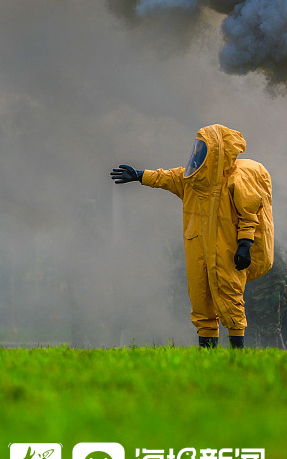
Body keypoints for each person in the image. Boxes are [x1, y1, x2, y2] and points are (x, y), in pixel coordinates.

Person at [111, 124, 273, 348]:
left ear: (216, 152)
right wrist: (140, 175)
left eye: (203, 149)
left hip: (225, 248)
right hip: (197, 247)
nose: (198, 153)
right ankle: (207, 352)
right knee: (200, 299)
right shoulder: (192, 180)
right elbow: (165, 177)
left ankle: (238, 353)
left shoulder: (236, 180)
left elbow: (249, 214)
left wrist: (245, 244)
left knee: (230, 296)